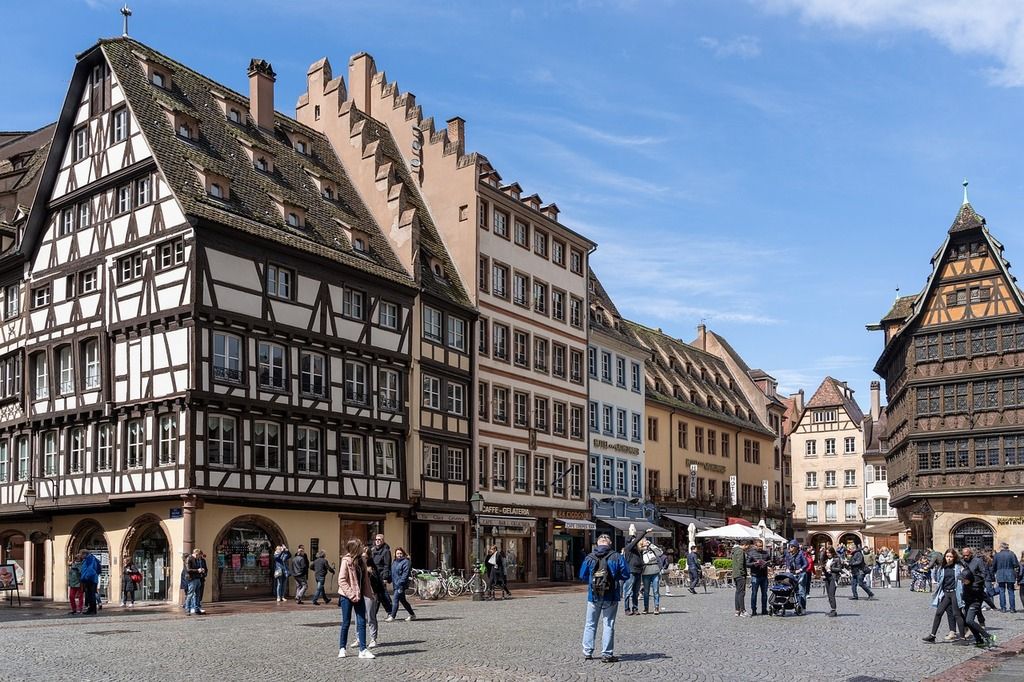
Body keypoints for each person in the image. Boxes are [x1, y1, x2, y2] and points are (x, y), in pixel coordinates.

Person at [579, 533, 630, 664]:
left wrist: (592, 581)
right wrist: (615, 577)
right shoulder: (616, 556)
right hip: (611, 594)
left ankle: (587, 652)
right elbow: (626, 574)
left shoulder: (590, 557)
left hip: (593, 595)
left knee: (590, 624)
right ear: (610, 543)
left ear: (597, 544)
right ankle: (607, 654)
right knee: (608, 624)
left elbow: (582, 575)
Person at [337, 539, 374, 659]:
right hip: (347, 596)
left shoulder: (362, 561)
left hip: (360, 595)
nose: (363, 548)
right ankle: (342, 648)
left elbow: (365, 581)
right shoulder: (346, 561)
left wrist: (369, 594)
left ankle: (363, 649)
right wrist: (351, 595)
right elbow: (341, 580)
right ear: (354, 548)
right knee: (346, 622)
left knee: (362, 622)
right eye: (360, 546)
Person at [923, 548, 966, 643]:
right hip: (946, 593)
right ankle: (932, 635)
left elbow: (963, 578)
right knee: (939, 613)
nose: (949, 558)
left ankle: (963, 638)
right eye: (947, 556)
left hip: (955, 592)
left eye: (950, 556)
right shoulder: (942, 568)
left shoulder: (958, 567)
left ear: (954, 557)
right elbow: (939, 581)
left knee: (957, 614)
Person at [357, 546, 384, 649]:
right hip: (359, 593)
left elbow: (377, 581)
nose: (363, 557)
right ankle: (359, 638)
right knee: (359, 617)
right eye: (362, 555)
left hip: (371, 593)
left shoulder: (372, 567)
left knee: (370, 616)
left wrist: (369, 573)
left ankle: (373, 638)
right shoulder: (358, 565)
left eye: (365, 555)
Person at [962, 571, 997, 649]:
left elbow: (985, 597)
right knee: (967, 623)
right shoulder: (965, 585)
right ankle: (979, 640)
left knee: (969, 621)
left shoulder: (976, 587)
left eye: (965, 580)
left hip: (975, 604)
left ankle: (988, 636)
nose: (963, 581)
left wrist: (992, 606)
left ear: (969, 579)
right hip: (968, 604)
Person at [622, 526, 649, 615]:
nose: (636, 542)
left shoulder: (637, 551)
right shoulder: (628, 548)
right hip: (631, 572)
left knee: (636, 592)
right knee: (628, 592)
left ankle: (635, 608)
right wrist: (644, 532)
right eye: (633, 541)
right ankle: (627, 609)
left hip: (638, 571)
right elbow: (636, 541)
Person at [385, 547, 416, 621]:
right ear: (395, 555)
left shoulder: (406, 562)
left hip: (401, 585)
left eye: (400, 553)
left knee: (395, 599)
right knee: (403, 601)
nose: (399, 555)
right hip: (395, 584)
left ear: (403, 554)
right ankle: (412, 615)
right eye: (398, 553)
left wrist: (400, 583)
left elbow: (405, 574)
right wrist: (388, 579)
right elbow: (392, 573)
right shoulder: (394, 562)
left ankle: (392, 616)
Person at [370, 534, 394, 615]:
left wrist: (385, 577)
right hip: (374, 575)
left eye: (379, 539)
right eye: (376, 539)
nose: (377, 541)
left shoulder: (386, 551)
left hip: (381, 575)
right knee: (380, 595)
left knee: (381, 594)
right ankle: (389, 611)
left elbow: (387, 565)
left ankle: (388, 611)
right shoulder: (373, 550)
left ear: (383, 541)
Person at [639, 537, 664, 614]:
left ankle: (656, 607)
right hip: (646, 571)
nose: (646, 542)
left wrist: (651, 545)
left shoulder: (652, 549)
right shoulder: (640, 551)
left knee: (656, 590)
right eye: (644, 541)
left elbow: (660, 553)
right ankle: (646, 608)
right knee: (646, 591)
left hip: (655, 570)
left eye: (646, 541)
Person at [746, 538, 770, 616]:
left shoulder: (766, 553)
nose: (760, 548)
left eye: (761, 546)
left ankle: (764, 609)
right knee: (754, 594)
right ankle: (754, 610)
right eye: (759, 546)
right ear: (755, 546)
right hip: (755, 576)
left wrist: (768, 563)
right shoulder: (751, 553)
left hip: (764, 576)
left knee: (765, 594)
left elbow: (770, 561)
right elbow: (746, 564)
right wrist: (754, 564)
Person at [994, 542, 1019, 613]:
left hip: (1000, 574)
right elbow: (1016, 564)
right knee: (1011, 591)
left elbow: (994, 565)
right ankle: (1012, 608)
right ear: (1007, 547)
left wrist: (995, 572)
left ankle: (1003, 608)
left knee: (1001, 591)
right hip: (1010, 574)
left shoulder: (997, 555)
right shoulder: (1012, 554)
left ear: (1001, 547)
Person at [78, 549, 101, 615]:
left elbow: (90, 569)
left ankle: (92, 610)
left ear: (84, 554)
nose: (81, 556)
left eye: (81, 554)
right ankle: (91, 609)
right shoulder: (90, 558)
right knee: (90, 595)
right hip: (92, 579)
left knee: (91, 595)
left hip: (90, 579)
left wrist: (86, 577)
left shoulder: (89, 559)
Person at [731, 539, 750, 617]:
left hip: (735, 574)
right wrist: (743, 573)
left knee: (738, 592)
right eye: (748, 546)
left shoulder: (735, 551)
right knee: (741, 593)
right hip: (740, 575)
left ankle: (737, 610)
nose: (748, 548)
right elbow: (740, 564)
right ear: (745, 545)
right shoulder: (740, 551)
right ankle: (742, 610)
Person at [185, 548, 207, 615]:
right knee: (190, 594)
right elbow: (188, 570)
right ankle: (187, 609)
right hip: (192, 579)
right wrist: (197, 570)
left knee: (198, 594)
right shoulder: (189, 559)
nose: (199, 557)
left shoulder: (197, 559)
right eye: (199, 555)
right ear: (196, 554)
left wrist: (202, 570)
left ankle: (197, 609)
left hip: (198, 578)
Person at [822, 546, 842, 617]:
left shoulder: (836, 559)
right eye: (827, 552)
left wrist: (831, 568)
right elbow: (824, 568)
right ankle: (832, 609)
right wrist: (823, 572)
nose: (828, 554)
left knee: (831, 594)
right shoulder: (826, 560)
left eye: (829, 552)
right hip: (827, 578)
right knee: (828, 594)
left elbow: (839, 569)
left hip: (833, 578)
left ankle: (834, 610)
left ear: (832, 552)